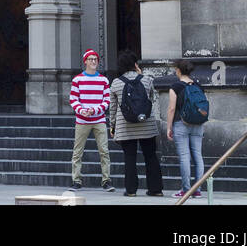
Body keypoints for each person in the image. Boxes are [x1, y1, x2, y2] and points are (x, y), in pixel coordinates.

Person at [108, 49, 164, 197]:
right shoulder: (146, 80)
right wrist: (140, 75)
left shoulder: (116, 83)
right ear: (135, 64)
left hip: (125, 126)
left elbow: (112, 108)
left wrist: (112, 125)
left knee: (130, 158)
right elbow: (151, 99)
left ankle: (131, 190)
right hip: (146, 124)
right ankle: (155, 189)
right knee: (150, 156)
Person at [69, 49, 113, 190]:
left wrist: (95, 110)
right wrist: (82, 111)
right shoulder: (77, 80)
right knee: (78, 152)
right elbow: (73, 99)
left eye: (95, 59)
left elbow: (107, 100)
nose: (93, 61)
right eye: (91, 59)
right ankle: (76, 180)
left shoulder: (103, 80)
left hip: (99, 119)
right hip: (82, 120)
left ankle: (106, 180)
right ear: (85, 62)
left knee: (104, 151)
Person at [166, 59, 208, 198]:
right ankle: (197, 190)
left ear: (178, 70)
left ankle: (186, 190)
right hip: (198, 124)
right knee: (198, 156)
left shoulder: (176, 87)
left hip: (181, 124)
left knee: (185, 157)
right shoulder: (198, 86)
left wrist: (169, 127)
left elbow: (172, 109)